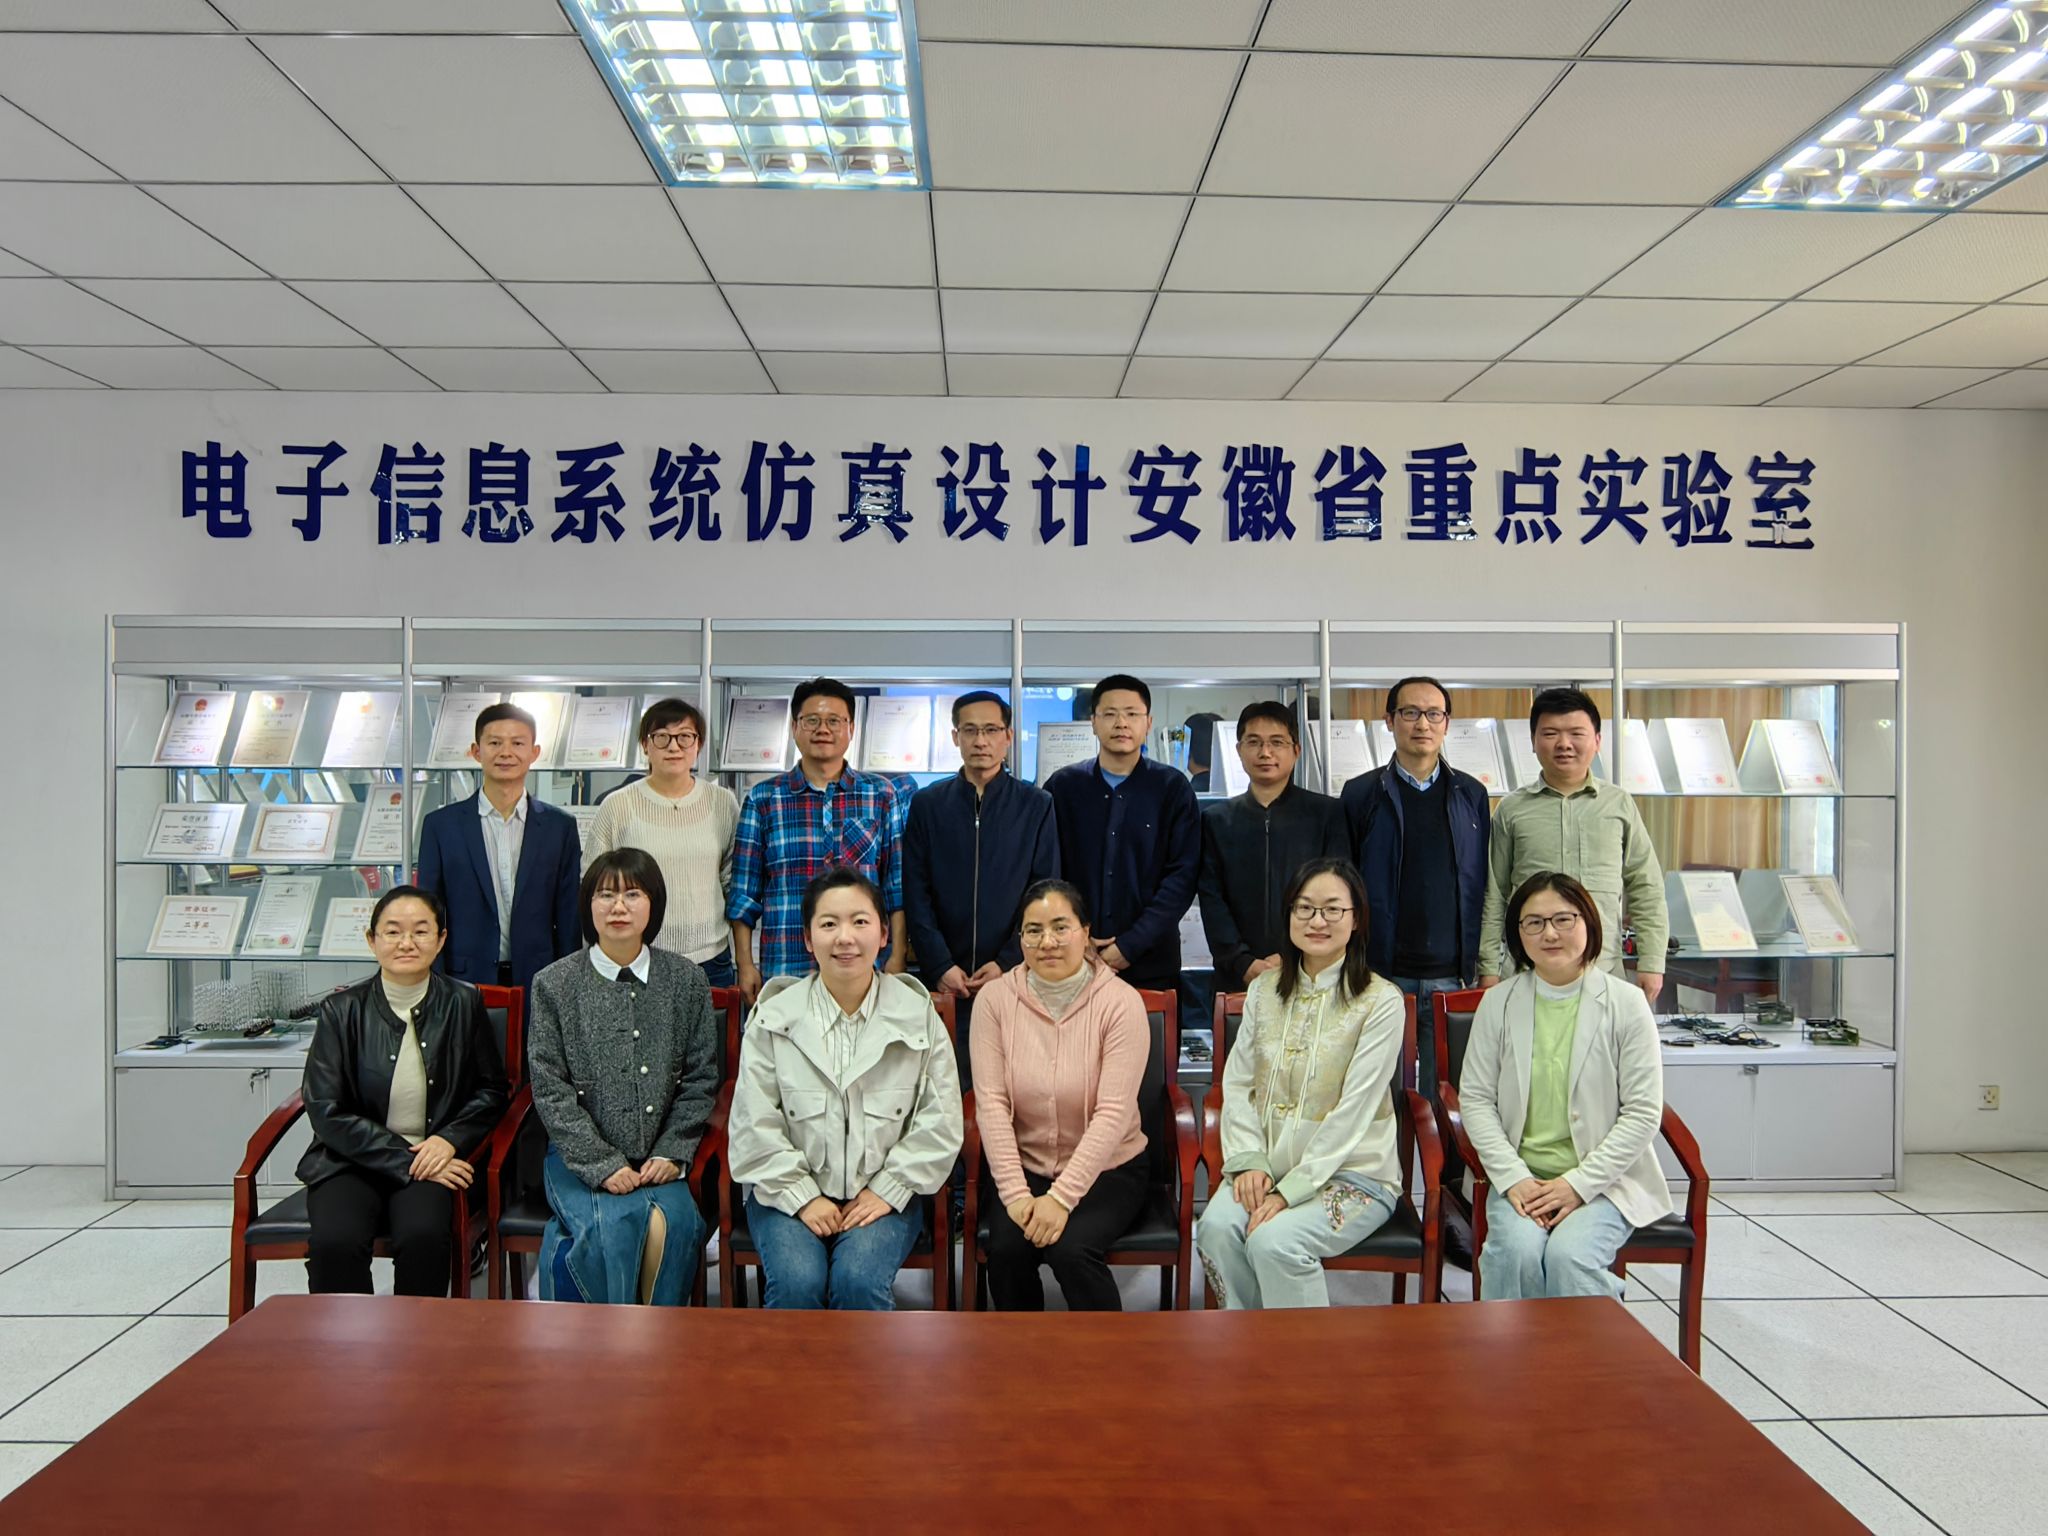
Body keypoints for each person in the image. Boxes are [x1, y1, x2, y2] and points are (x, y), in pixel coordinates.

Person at [727, 867, 963, 1310]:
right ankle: (791, 1363)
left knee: (858, 1281)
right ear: (807, 938)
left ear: (884, 934)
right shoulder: (774, 1017)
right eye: (829, 924)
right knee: (797, 1283)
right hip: (785, 1193)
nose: (845, 938)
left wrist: (888, 1189)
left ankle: (864, 1364)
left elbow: (941, 1120)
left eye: (860, 921)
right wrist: (802, 1197)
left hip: (885, 1194)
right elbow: (752, 1124)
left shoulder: (916, 1016)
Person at [1195, 858, 1405, 1310]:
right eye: (1304, 908)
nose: (1317, 921)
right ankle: (1249, 1341)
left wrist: (1290, 1191)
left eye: (1332, 909)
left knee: (1275, 1242)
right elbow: (1238, 1084)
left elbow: (1355, 1109)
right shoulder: (1263, 991)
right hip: (1266, 1165)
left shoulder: (1381, 1001)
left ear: (1356, 919)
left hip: (1354, 1174)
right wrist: (1249, 1162)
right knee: (1215, 1228)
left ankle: (1304, 1355)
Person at [1459, 871, 1671, 1300]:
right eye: (1534, 922)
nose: (1549, 933)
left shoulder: (1626, 1003)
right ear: (1518, 934)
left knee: (1569, 1257)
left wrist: (1578, 1184)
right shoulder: (1498, 1002)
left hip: (1605, 1180)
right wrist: (1514, 1177)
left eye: (1563, 919)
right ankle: (1513, 1350)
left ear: (1588, 922)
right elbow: (1476, 1100)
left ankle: (1588, 1346)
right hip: (1522, 1177)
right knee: (1513, 1254)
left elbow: (1643, 1112)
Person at [528, 849, 720, 1306]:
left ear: (653, 904)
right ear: (587, 905)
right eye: (605, 895)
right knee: (609, 1228)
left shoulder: (686, 980)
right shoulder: (554, 983)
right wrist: (601, 1163)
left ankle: (654, 1340)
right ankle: (603, 1345)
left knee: (671, 1227)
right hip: (578, 1156)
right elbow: (550, 1089)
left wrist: (673, 1151)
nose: (618, 906)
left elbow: (701, 1079)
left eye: (633, 894)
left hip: (660, 1153)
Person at [299, 886, 508, 1297]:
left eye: (421, 931)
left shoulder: (464, 1003)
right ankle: (346, 1337)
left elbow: (492, 1090)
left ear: (441, 939)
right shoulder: (341, 1011)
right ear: (371, 940)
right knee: (336, 1242)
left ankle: (416, 1338)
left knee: (423, 1238)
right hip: (351, 1160)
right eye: (393, 932)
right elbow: (324, 1108)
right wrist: (405, 1157)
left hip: (432, 1157)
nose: (406, 943)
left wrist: (449, 1140)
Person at [970, 879, 1149, 1311]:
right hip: (1026, 1163)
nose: (1046, 942)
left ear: (1085, 933)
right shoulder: (994, 1000)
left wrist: (1061, 1199)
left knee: (1071, 1249)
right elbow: (991, 1104)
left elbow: (1112, 1114)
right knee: (1006, 1250)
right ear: (1020, 939)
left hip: (1110, 1168)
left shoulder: (1121, 1003)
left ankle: (1105, 1354)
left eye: (1060, 927)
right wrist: (1016, 1195)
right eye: (1033, 931)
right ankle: (1024, 1350)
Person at [1339, 675, 1491, 1099]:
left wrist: (1482, 964)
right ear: (1390, 721)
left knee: (1448, 1098)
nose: (1422, 724)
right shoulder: (1361, 794)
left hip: (1452, 977)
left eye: (1433, 714)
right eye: (1410, 713)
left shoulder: (1471, 794)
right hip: (1381, 975)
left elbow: (1483, 882)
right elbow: (1343, 884)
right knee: (1379, 1097)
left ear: (1446, 723)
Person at [1479, 688, 1667, 1004]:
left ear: (1597, 740)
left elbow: (1646, 884)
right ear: (1533, 741)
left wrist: (1652, 960)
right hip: (1527, 970)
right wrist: (1488, 966)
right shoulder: (1511, 809)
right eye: (1550, 733)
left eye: (1576, 733)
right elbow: (1494, 892)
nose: (1564, 744)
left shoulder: (1619, 804)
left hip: (1603, 969)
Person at [727, 678, 907, 1004]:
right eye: (812, 720)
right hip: (786, 965)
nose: (823, 729)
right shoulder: (764, 798)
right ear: (794, 727)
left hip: (864, 966)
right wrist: (745, 964)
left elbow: (896, 887)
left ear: (851, 729)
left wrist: (896, 956)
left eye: (834, 721)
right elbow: (743, 894)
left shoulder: (880, 794)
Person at [902, 691, 1060, 1007]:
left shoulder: (1036, 805)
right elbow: (916, 892)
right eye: (970, 730)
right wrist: (940, 964)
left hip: (1016, 977)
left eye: (991, 730)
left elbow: (1045, 892)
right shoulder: (927, 805)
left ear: (1008, 736)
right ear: (955, 736)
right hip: (944, 980)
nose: (980, 741)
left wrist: (1008, 961)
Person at [1045, 674, 1200, 994]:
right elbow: (1049, 873)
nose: (1121, 723)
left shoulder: (1172, 788)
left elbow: (1182, 877)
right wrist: (1075, 937)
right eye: (1110, 714)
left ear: (1148, 722)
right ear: (1093, 722)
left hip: (1152, 963)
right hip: (1072, 960)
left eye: (1132, 713)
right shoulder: (1063, 787)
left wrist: (1131, 944)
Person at [417, 702, 582, 994]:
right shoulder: (440, 826)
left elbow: (569, 916)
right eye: (495, 743)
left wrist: (567, 986)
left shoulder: (560, 827)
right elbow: (429, 911)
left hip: (539, 980)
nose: (506, 752)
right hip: (462, 981)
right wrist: (436, 984)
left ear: (534, 753)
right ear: (476, 751)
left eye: (517, 743)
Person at [583, 698, 741, 989]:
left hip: (711, 958)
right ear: (646, 745)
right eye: (662, 737)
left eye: (685, 737)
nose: (674, 747)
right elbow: (592, 886)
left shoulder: (723, 802)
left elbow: (731, 880)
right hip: (635, 957)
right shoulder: (617, 805)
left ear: (698, 744)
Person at [1198, 700, 1347, 994]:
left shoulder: (1327, 815)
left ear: (1296, 750)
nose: (1265, 753)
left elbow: (1337, 894)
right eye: (1254, 742)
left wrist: (1293, 956)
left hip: (1311, 970)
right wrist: (1241, 962)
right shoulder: (1216, 820)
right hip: (1236, 976)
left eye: (1277, 742)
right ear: (1239, 750)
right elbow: (1211, 898)